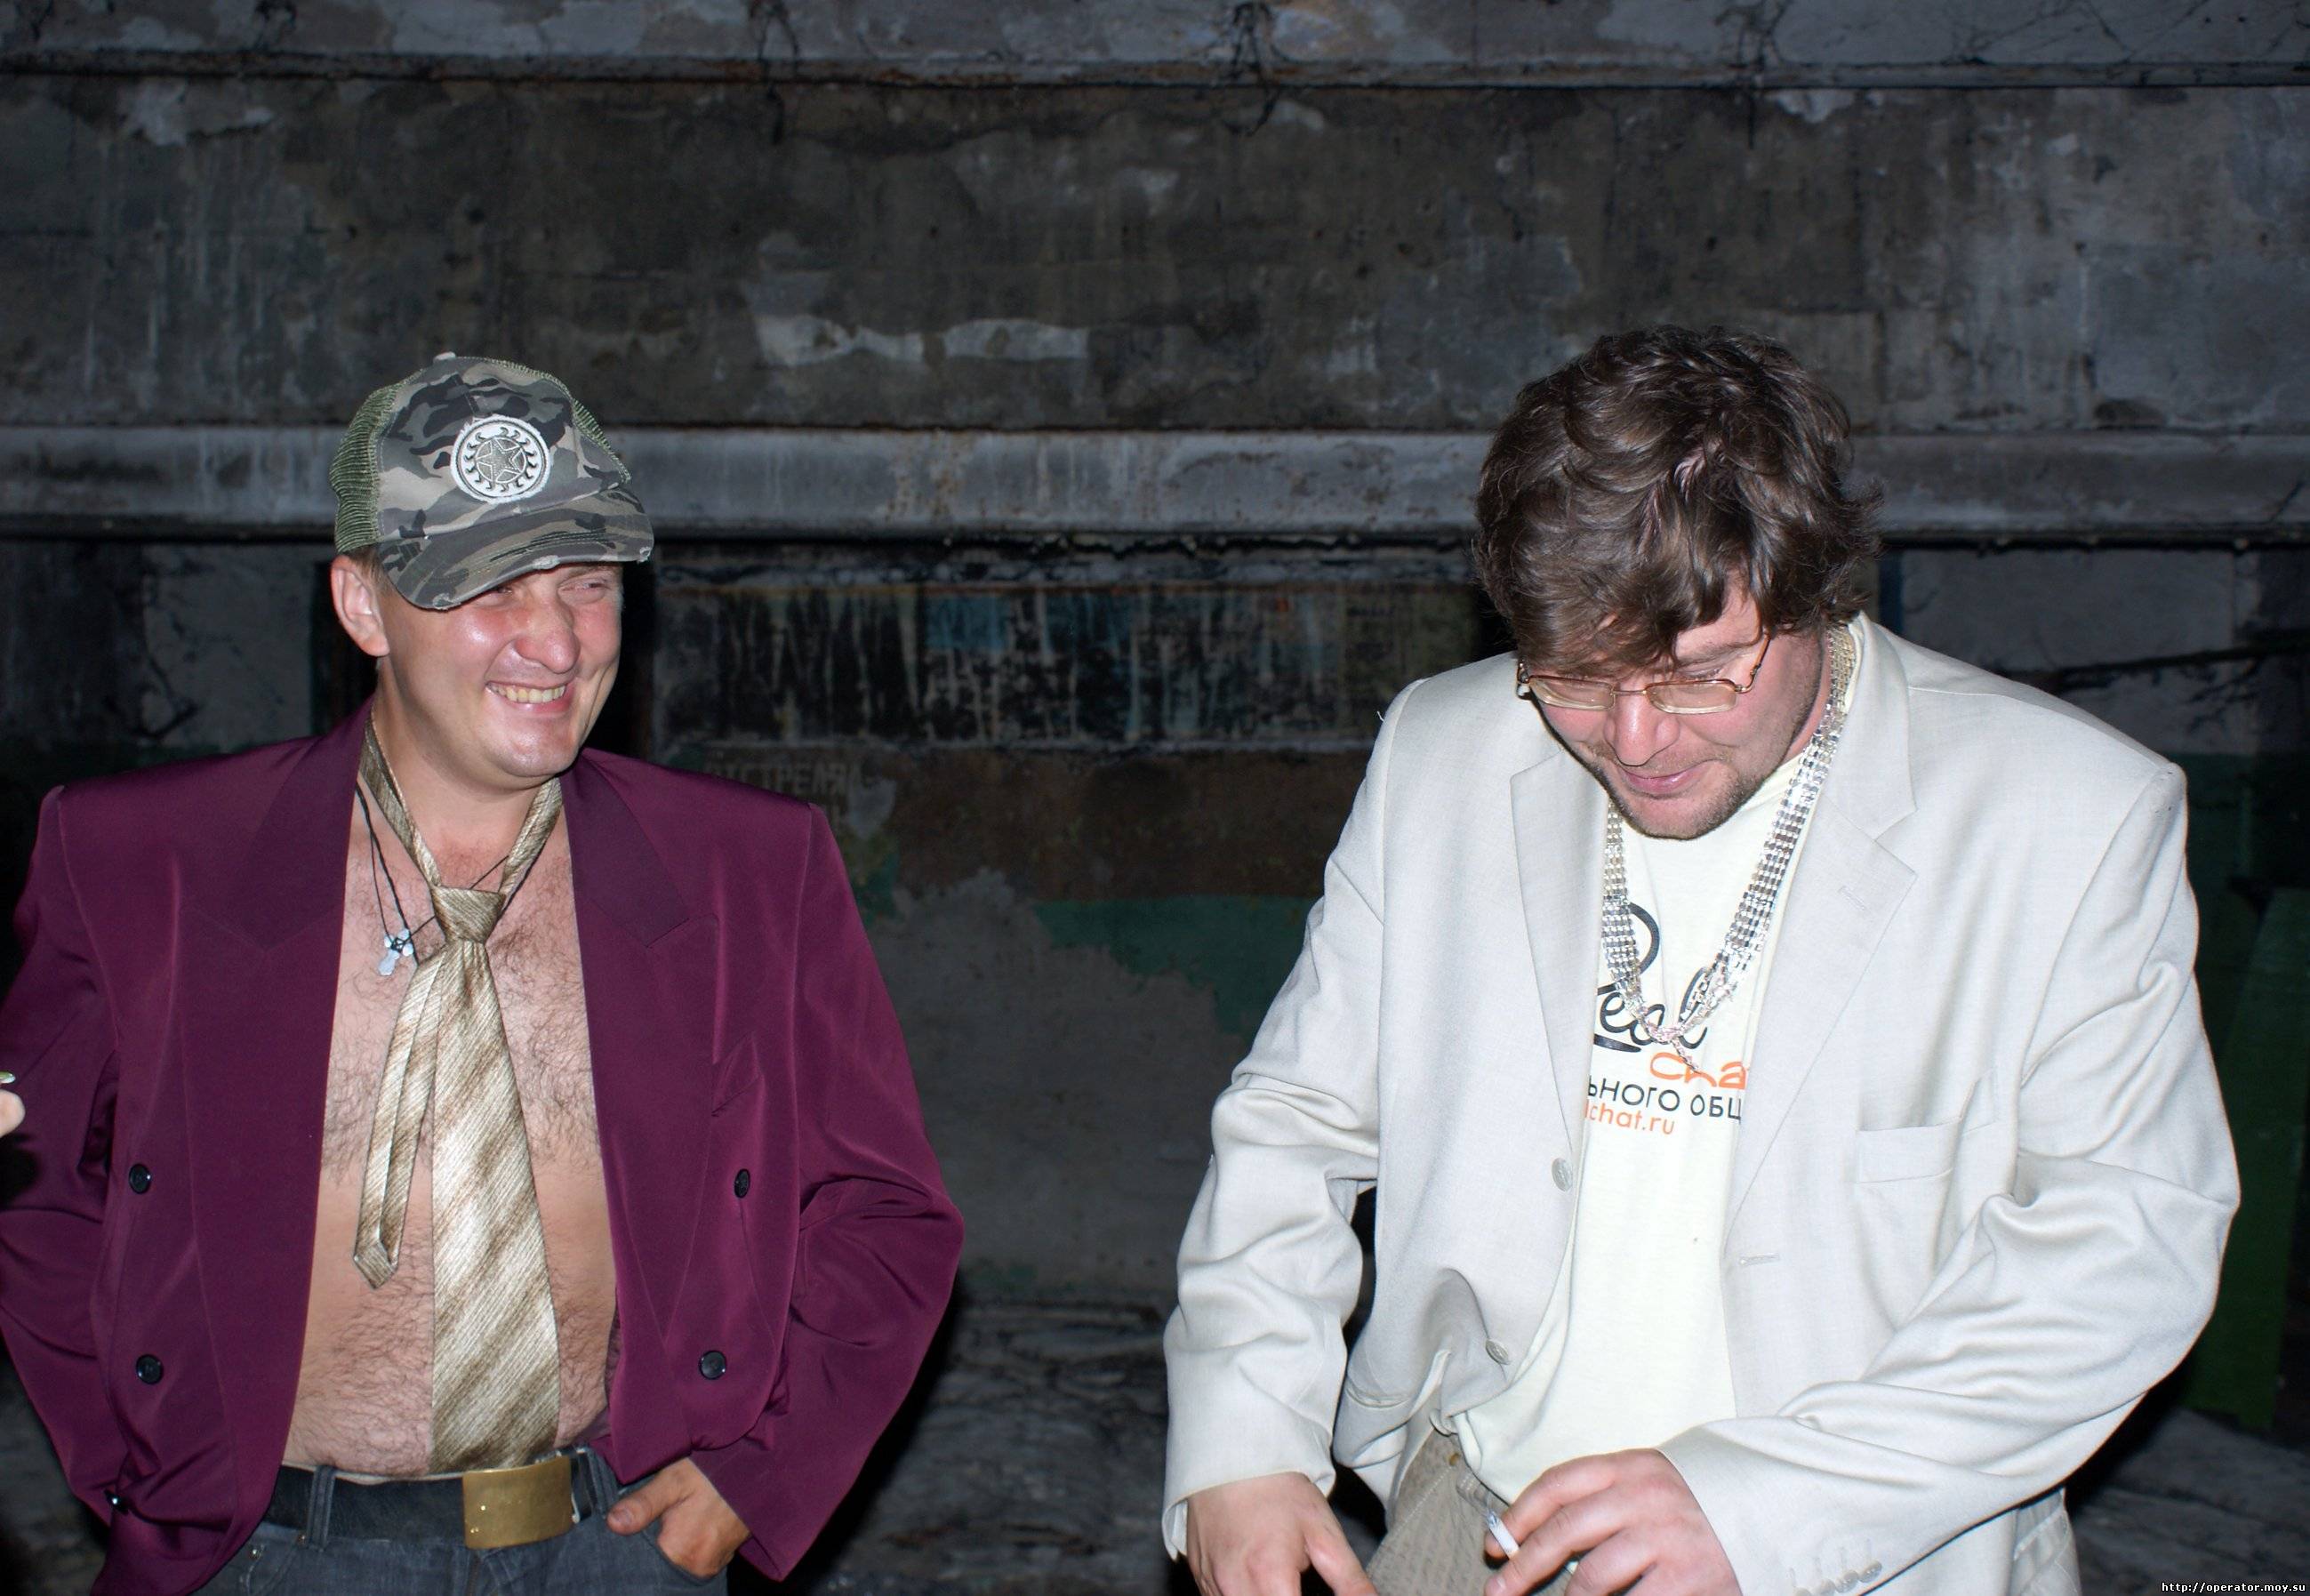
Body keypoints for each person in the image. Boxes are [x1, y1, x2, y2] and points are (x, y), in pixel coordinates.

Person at [1163, 326, 2237, 1596]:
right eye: (1574, 674)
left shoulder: (2066, 816)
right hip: (1477, 1527)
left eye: (1702, 676)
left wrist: (1761, 1503)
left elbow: (2124, 1246)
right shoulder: (1442, 752)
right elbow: (1296, 1118)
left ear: (1816, 592)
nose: (1633, 739)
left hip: (1855, 1556)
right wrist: (1242, 1438)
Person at [0, 353, 963, 1595]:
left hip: (618, 1550)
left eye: (587, 583)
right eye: (490, 586)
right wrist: (143, 1479)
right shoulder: (142, 861)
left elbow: (883, 1212)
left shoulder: (749, 869)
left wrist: (764, 1475)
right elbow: (37, 1194)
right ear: (363, 605)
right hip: (267, 1556)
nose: (553, 641)